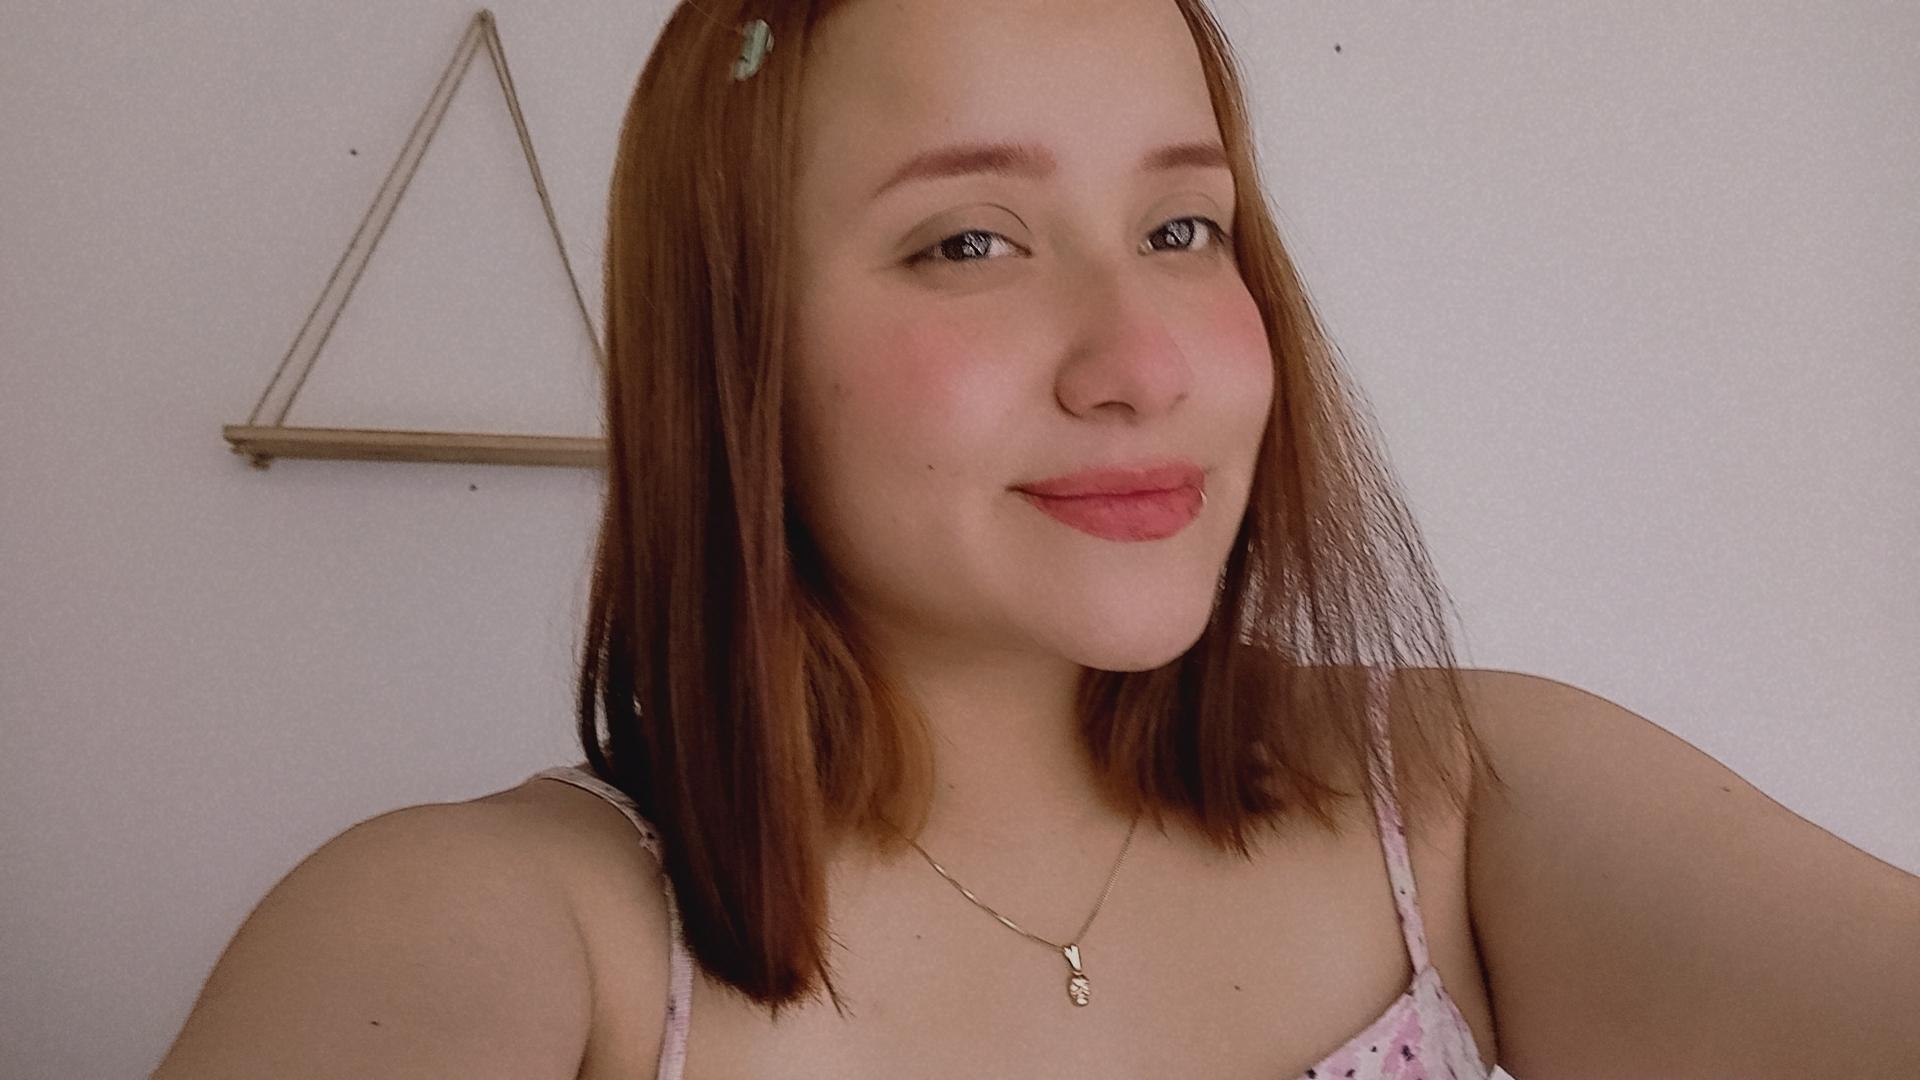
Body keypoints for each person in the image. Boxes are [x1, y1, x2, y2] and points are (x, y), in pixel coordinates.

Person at [153, 1, 1920, 1077]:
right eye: (969, 244)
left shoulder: (1464, 806)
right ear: (734, 344)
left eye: (1182, 228)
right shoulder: (504, 932)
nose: (1142, 363)